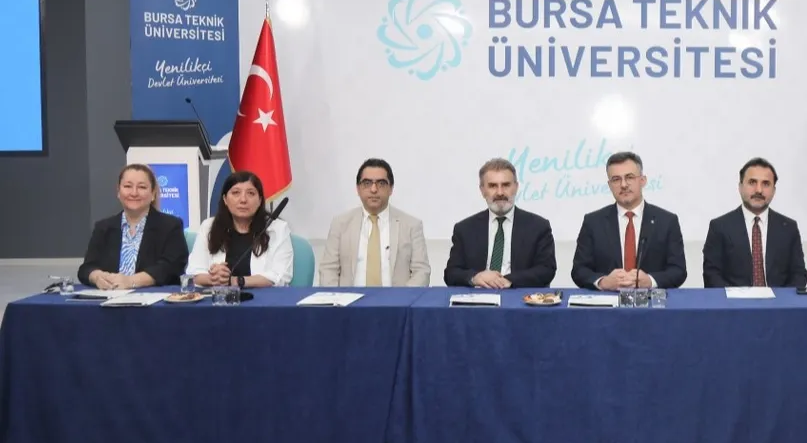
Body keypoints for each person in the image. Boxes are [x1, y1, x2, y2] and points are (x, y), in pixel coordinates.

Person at [571, 151, 687, 290]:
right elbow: (579, 270)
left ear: (642, 180)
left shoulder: (667, 221)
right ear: (609, 185)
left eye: (629, 177)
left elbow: (678, 271)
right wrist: (603, 282)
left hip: (651, 301)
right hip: (607, 301)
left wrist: (650, 281)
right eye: (616, 179)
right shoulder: (593, 222)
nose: (624, 184)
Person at [444, 158, 556, 288]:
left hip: (519, 294)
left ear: (516, 187)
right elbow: (451, 273)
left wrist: (508, 280)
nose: (500, 192)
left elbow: (546, 270)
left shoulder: (538, 227)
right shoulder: (465, 229)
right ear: (482, 190)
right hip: (478, 295)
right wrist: (475, 277)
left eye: (506, 185)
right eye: (492, 186)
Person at [317, 158, 430, 287]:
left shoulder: (412, 225)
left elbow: (421, 272)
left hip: (397, 299)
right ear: (358, 189)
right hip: (349, 299)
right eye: (367, 183)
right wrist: (337, 297)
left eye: (381, 183)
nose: (374, 189)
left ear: (391, 188)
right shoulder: (340, 224)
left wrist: (403, 298)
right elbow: (328, 270)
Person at [77, 164, 189, 289]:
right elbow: (86, 268)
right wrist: (98, 277)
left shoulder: (171, 226)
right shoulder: (103, 228)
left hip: (151, 298)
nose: (134, 193)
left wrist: (131, 281)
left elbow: (171, 267)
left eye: (142, 187)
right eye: (127, 186)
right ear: (118, 192)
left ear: (153, 194)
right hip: (108, 296)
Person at [703, 157, 807, 288]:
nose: (759, 190)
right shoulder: (720, 227)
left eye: (766, 184)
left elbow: (799, 275)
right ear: (740, 187)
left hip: (778, 300)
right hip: (735, 299)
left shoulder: (788, 228)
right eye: (752, 182)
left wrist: (783, 298)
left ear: (774, 190)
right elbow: (711, 275)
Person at [188, 171, 293, 288]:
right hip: (218, 297)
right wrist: (214, 278)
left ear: (260, 200)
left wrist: (236, 281)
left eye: (250, 193)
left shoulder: (277, 228)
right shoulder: (208, 226)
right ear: (225, 199)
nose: (243, 200)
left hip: (263, 298)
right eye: (236, 193)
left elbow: (281, 276)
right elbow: (194, 273)